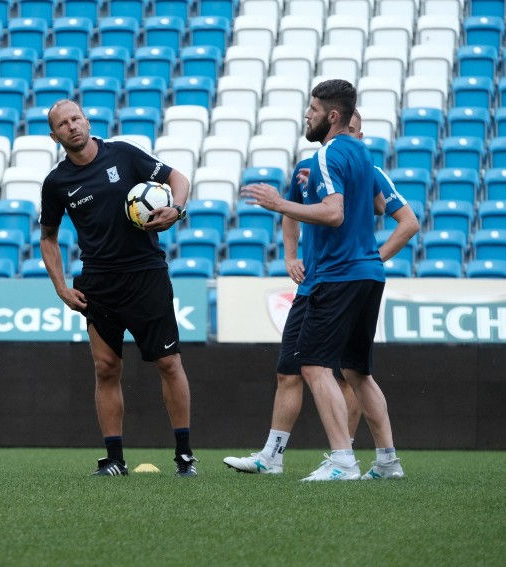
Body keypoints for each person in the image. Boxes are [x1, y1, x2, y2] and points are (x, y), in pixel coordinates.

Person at [224, 109, 418, 479]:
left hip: (339, 278)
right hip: (314, 283)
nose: (355, 140)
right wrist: (291, 255)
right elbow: (293, 215)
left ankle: (343, 458)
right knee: (297, 370)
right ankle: (274, 455)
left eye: (358, 134)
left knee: (338, 372)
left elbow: (396, 218)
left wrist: (372, 257)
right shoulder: (311, 166)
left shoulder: (359, 165)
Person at [39, 99, 199, 477]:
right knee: (106, 368)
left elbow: (179, 178)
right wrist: (61, 288)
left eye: (76, 118)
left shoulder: (124, 155)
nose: (72, 126)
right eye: (63, 124)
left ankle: (184, 455)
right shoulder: (57, 182)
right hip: (98, 282)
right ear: (54, 135)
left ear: (87, 119)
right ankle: (114, 460)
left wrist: (176, 208)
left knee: (168, 362)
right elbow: (48, 237)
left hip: (146, 274)